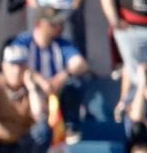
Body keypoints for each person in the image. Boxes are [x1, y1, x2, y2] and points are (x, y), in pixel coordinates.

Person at [8, 9, 90, 141]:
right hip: (30, 89)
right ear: (39, 24)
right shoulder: (24, 41)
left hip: (55, 90)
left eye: (59, 23)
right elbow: (15, 63)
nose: (59, 27)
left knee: (75, 84)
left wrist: (62, 75)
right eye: (53, 24)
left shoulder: (61, 43)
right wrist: (41, 81)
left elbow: (81, 64)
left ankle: (69, 126)